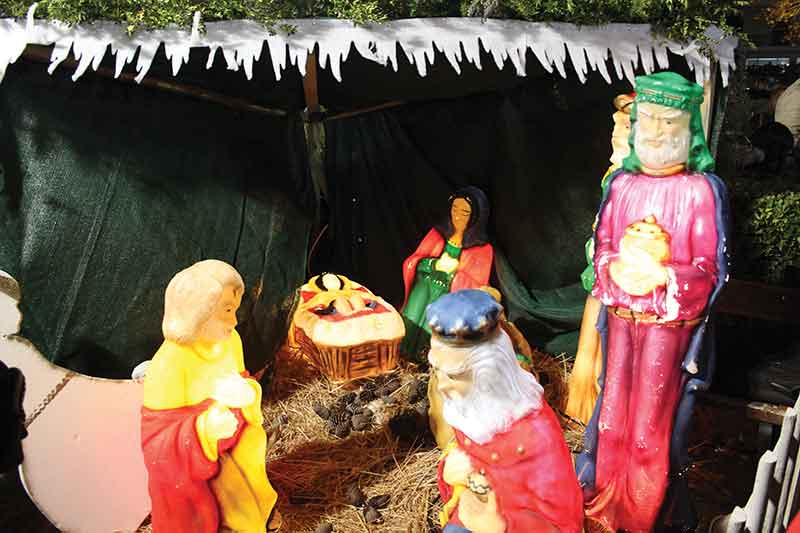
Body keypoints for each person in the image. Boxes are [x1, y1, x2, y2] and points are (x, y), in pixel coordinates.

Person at [575, 72, 730, 533]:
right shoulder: (622, 186)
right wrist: (615, 270)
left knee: (649, 428)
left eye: (669, 122)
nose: (657, 133)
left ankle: (642, 514)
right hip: (621, 319)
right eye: (649, 121)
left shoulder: (699, 191)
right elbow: (603, 247)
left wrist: (662, 275)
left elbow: (709, 269)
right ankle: (604, 503)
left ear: (687, 128)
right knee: (610, 420)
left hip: (667, 327)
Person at [141, 260, 280, 533]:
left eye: (235, 310)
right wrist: (204, 430)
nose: (234, 321)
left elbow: (243, 383)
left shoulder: (231, 341)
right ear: (199, 311)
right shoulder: (169, 364)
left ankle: (257, 512)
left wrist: (248, 392)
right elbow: (156, 445)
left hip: (233, 444)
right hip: (195, 465)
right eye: (226, 310)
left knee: (249, 446)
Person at [429, 289, 583, 533]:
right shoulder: (470, 411)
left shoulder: (536, 435)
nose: (441, 385)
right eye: (437, 370)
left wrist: (502, 524)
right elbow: (465, 465)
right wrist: (451, 471)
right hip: (473, 513)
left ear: (489, 374)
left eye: (454, 376)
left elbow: (561, 519)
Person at [566, 93, 634, 424]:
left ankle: (601, 405)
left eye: (626, 126)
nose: (616, 131)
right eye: (616, 124)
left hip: (621, 268)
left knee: (607, 340)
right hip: (601, 260)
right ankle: (584, 402)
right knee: (591, 337)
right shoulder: (614, 173)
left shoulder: (635, 180)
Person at [400, 186, 493, 362]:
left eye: (465, 212)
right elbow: (413, 261)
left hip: (449, 297)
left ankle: (426, 360)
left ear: (476, 217)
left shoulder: (482, 249)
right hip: (424, 285)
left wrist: (454, 274)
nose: (457, 216)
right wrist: (434, 264)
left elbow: (477, 287)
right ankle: (401, 353)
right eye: (454, 209)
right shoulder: (437, 235)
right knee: (411, 317)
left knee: (433, 326)